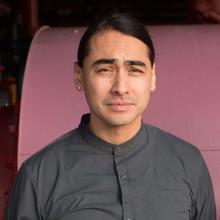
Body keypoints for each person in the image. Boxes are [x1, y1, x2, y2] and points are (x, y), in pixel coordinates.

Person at [4, 12, 216, 220]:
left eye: (134, 70)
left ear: (152, 77)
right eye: (105, 69)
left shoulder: (189, 163)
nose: (121, 88)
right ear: (79, 76)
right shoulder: (38, 176)